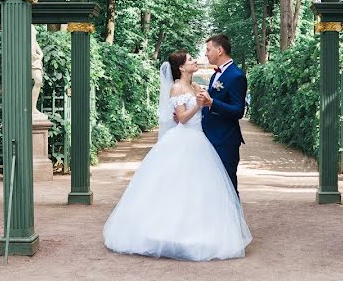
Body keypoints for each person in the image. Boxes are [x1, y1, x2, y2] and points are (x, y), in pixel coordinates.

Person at [102, 50, 252, 260]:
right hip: (183, 139)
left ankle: (199, 232)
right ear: (181, 67)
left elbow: (209, 108)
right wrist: (198, 106)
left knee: (200, 189)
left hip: (200, 140)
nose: (195, 60)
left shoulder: (198, 86)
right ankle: (166, 233)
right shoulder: (176, 87)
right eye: (190, 59)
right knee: (175, 186)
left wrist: (205, 103)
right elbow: (181, 118)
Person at [199, 34, 248, 193]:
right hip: (210, 137)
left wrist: (212, 103)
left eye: (208, 49)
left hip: (225, 140)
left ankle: (233, 218)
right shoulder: (216, 74)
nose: (206, 53)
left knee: (227, 185)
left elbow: (238, 110)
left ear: (219, 50)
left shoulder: (236, 76)